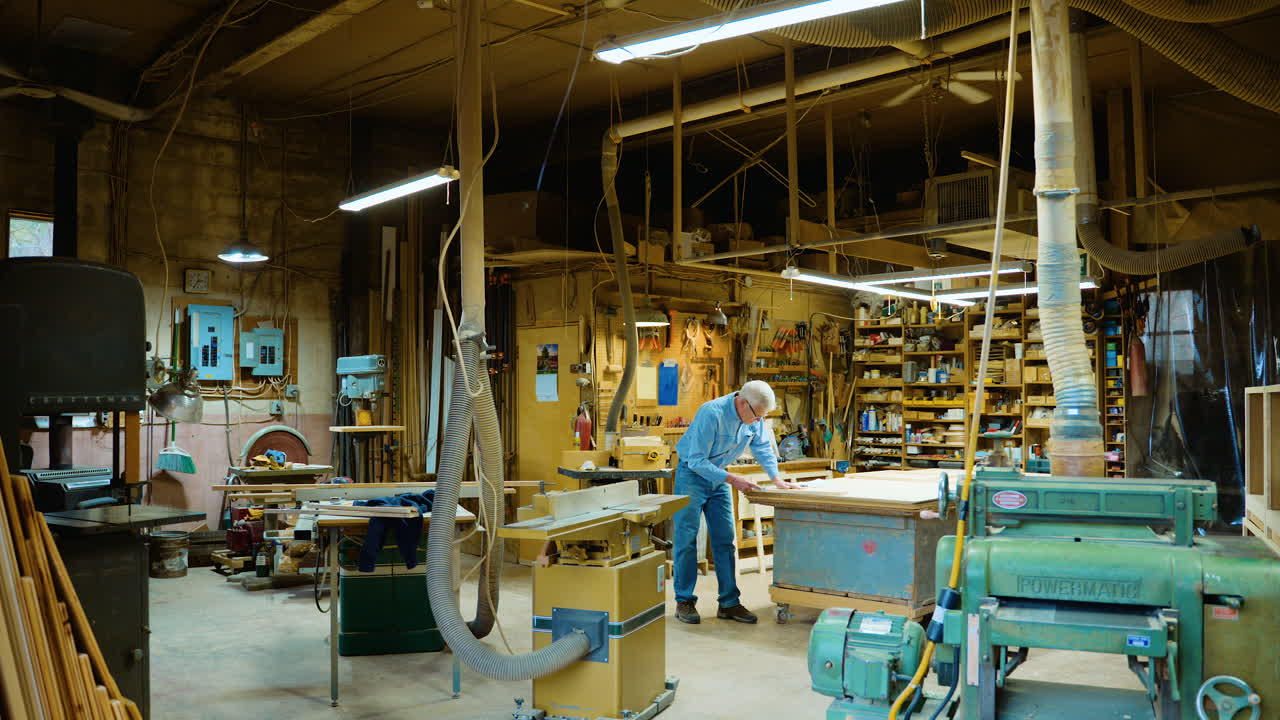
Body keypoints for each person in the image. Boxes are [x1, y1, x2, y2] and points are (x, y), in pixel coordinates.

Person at [671, 380, 793, 625]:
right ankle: (684, 601)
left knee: (726, 540)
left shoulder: (754, 417)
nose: (758, 422)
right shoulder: (711, 413)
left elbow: (761, 446)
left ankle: (728, 603)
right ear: (742, 403)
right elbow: (695, 460)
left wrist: (776, 478)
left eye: (762, 418)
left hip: (718, 476)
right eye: (757, 416)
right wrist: (732, 479)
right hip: (692, 475)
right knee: (687, 539)